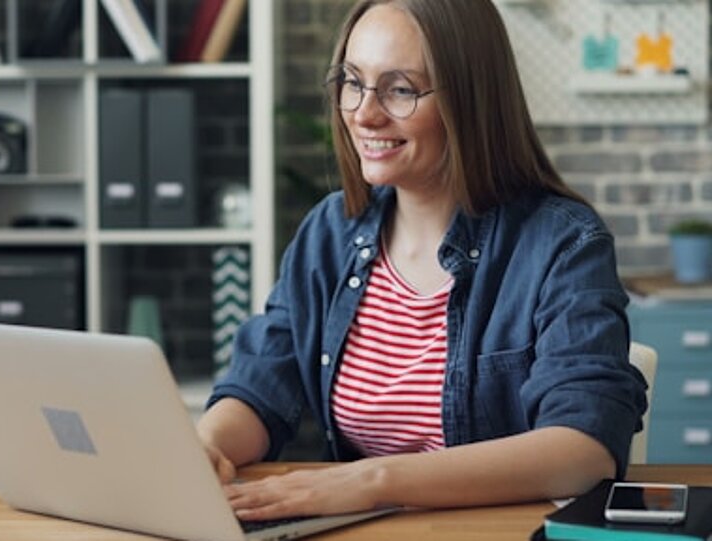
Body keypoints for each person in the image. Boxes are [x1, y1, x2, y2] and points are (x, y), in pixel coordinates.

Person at [197, 0, 649, 522]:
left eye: (401, 89)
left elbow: (584, 450)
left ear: (470, 101)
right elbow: (259, 386)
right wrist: (208, 447)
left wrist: (375, 480)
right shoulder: (331, 231)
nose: (364, 113)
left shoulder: (561, 243)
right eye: (352, 81)